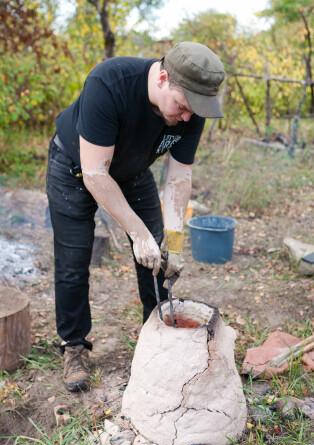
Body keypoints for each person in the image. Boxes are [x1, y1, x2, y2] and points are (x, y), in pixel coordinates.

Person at [46, 41, 225, 392]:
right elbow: (96, 173)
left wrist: (171, 242)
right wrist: (137, 232)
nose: (187, 117)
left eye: (194, 111)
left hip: (133, 170)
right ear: (162, 79)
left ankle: (156, 335)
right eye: (182, 107)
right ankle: (74, 345)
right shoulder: (109, 83)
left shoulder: (192, 110)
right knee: (72, 262)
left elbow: (179, 178)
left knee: (158, 254)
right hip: (76, 168)